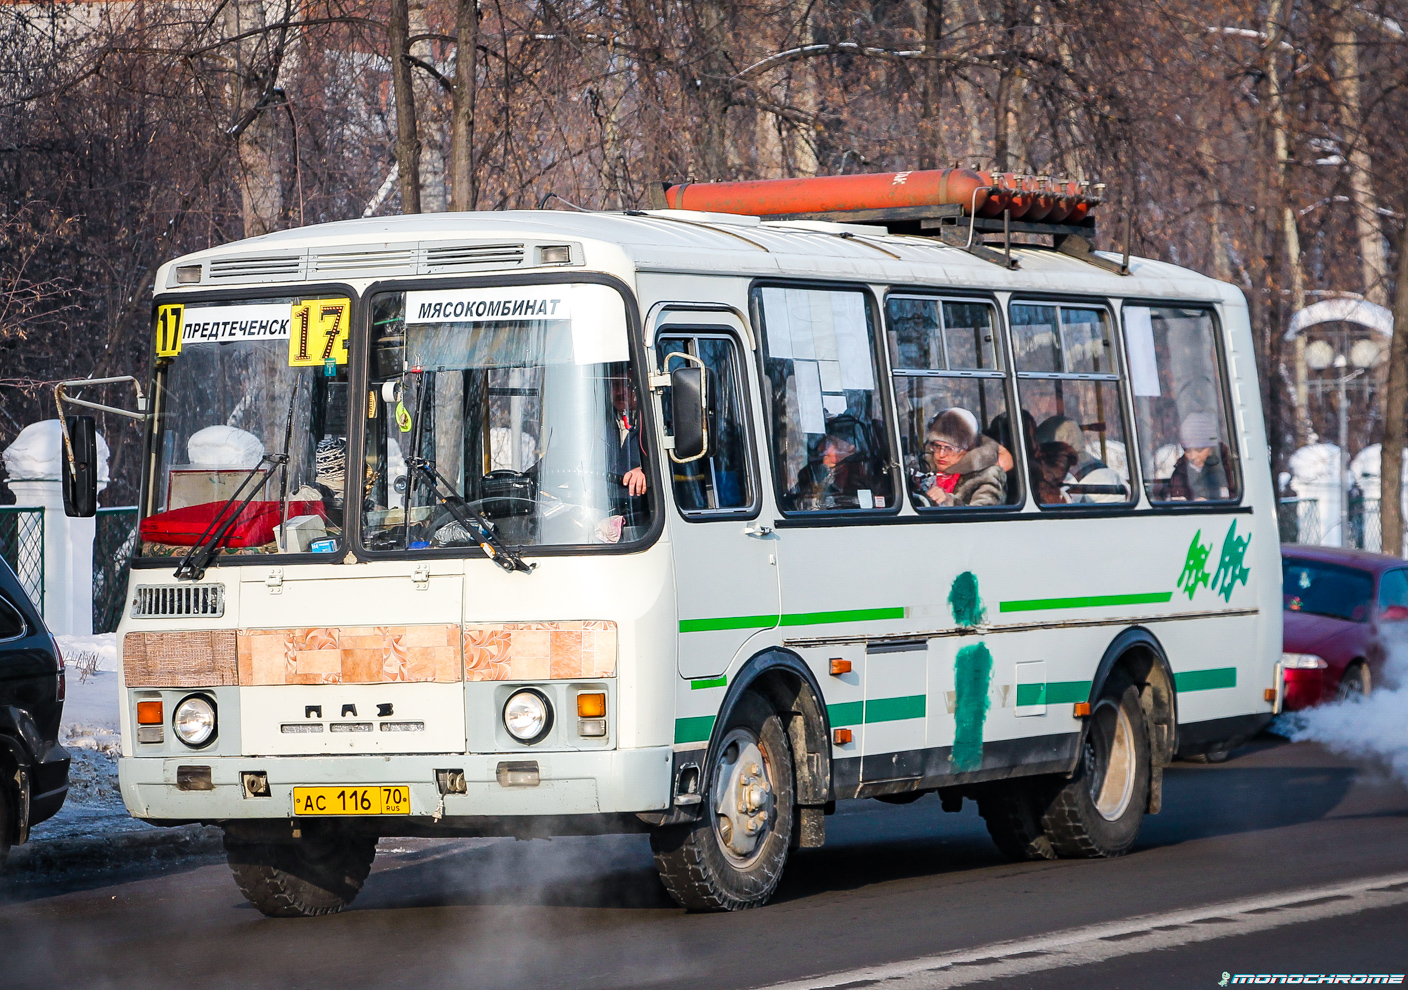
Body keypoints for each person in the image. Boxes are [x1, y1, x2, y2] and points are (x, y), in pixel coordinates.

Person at [911, 407, 1006, 507]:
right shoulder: (923, 469)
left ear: (968, 448)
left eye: (949, 448)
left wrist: (949, 502)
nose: (941, 454)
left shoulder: (987, 475)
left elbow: (983, 515)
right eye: (937, 446)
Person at [790, 431, 876, 509]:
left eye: (830, 443)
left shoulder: (857, 477)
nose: (822, 450)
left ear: (848, 450)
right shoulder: (818, 472)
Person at [1168, 412, 1231, 501]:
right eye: (1187, 450)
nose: (1193, 456)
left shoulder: (1226, 470)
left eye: (1199, 450)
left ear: (1211, 448)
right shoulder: (1180, 476)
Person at [609, 376, 647, 497]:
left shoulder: (655, 424)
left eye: (626, 385)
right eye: (615, 385)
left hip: (642, 506)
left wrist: (644, 471)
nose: (620, 392)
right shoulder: (595, 425)